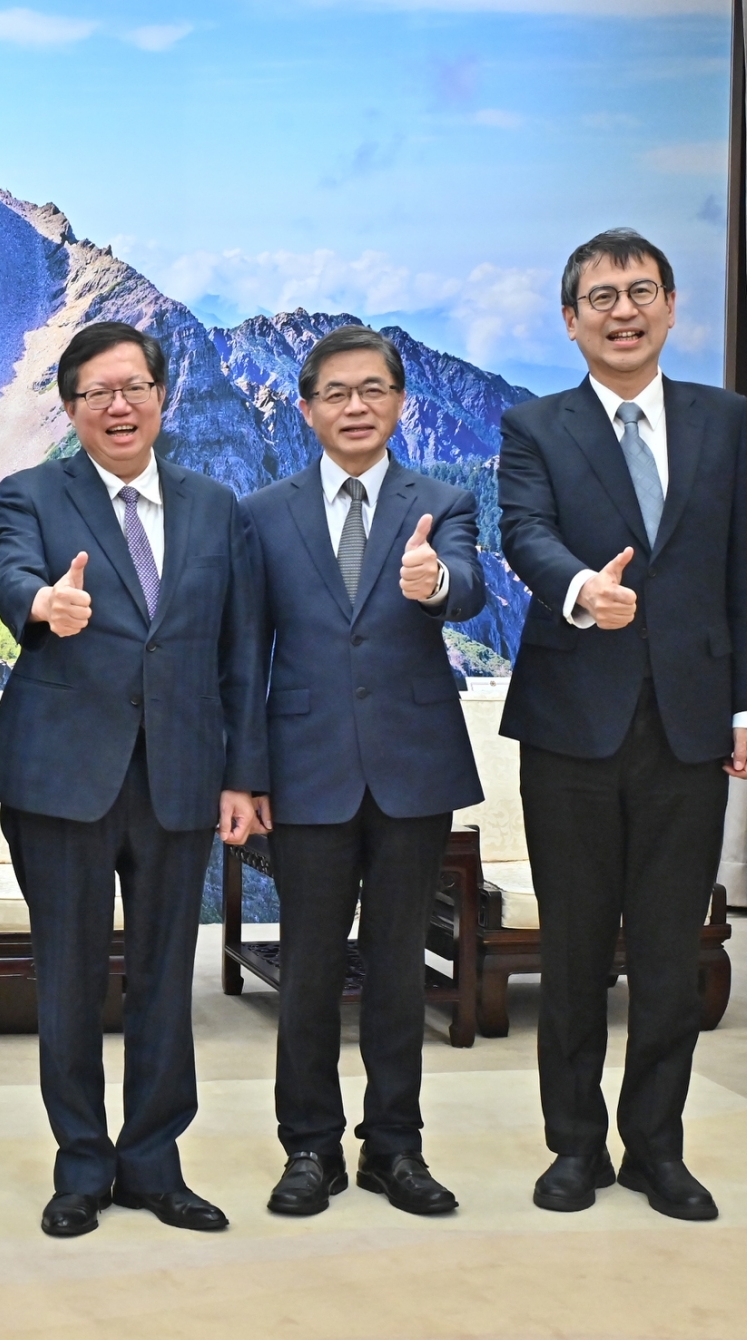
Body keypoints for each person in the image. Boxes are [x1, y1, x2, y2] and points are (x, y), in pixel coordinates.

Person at [499, 228, 747, 1221]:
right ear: (570, 319)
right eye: (602, 297)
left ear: (669, 306)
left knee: (667, 953)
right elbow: (523, 533)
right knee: (573, 951)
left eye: (641, 292)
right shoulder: (535, 425)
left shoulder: (722, 419)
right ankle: (574, 1147)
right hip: (570, 724)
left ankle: (657, 1148)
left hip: (690, 726)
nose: (623, 311)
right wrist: (582, 589)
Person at [0, 320, 267, 1239]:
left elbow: (240, 653)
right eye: (97, 392)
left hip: (180, 775)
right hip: (62, 776)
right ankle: (80, 1166)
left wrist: (242, 776)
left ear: (161, 396)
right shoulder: (32, 493)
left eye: (133, 387)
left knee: (163, 980)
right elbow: (8, 573)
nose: (118, 405)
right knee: (67, 980)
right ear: (71, 408)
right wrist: (43, 604)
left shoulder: (214, 505)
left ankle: (153, 1162)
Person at [242, 325, 483, 1219]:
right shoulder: (262, 512)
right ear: (307, 409)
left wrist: (436, 584)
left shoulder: (443, 502)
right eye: (336, 392)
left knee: (397, 966)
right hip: (305, 771)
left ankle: (394, 1147)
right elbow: (246, 655)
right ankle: (309, 1147)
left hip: (413, 770)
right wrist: (247, 773)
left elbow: (467, 587)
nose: (356, 406)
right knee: (308, 967)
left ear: (400, 403)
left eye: (373, 389)